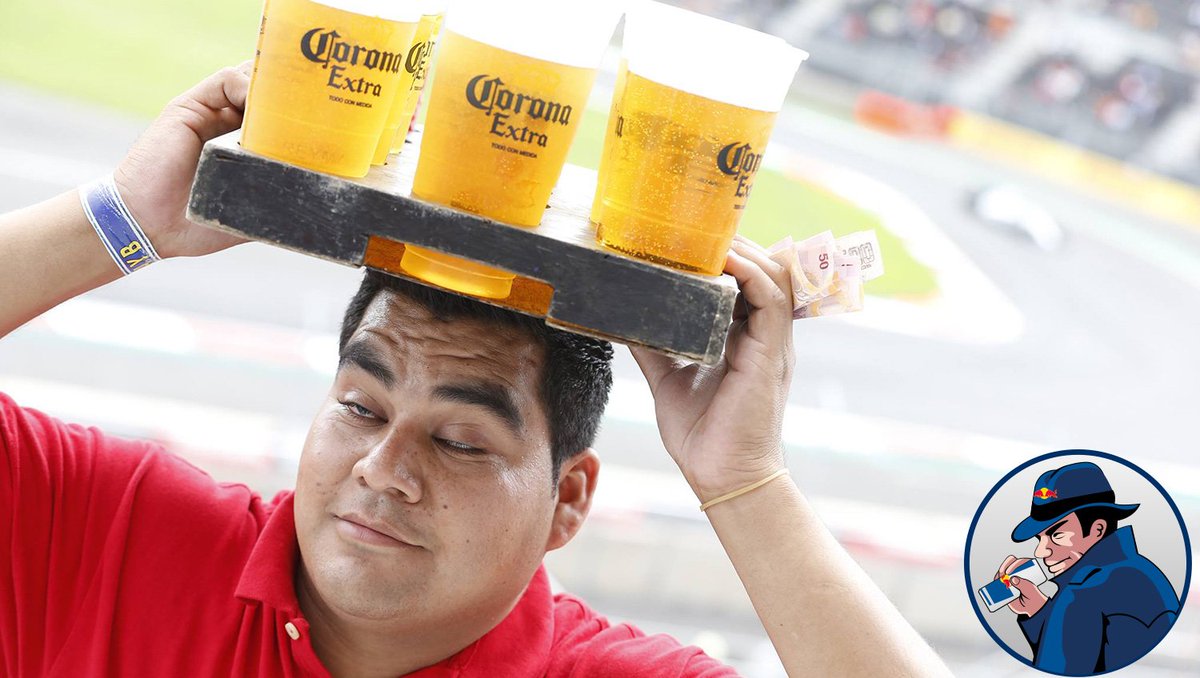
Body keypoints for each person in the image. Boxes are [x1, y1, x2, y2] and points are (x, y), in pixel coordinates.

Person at [0, 63, 951, 677]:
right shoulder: (115, 538)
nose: (383, 468)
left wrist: (743, 480)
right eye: (361, 407)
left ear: (569, 502)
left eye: (460, 439)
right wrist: (117, 224)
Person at [996, 462, 1180, 676]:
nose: (1041, 551)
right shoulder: (1141, 570)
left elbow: (1057, 669)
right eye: (1040, 538)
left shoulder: (1084, 590)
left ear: (1097, 530)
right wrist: (1038, 610)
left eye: (1057, 535)